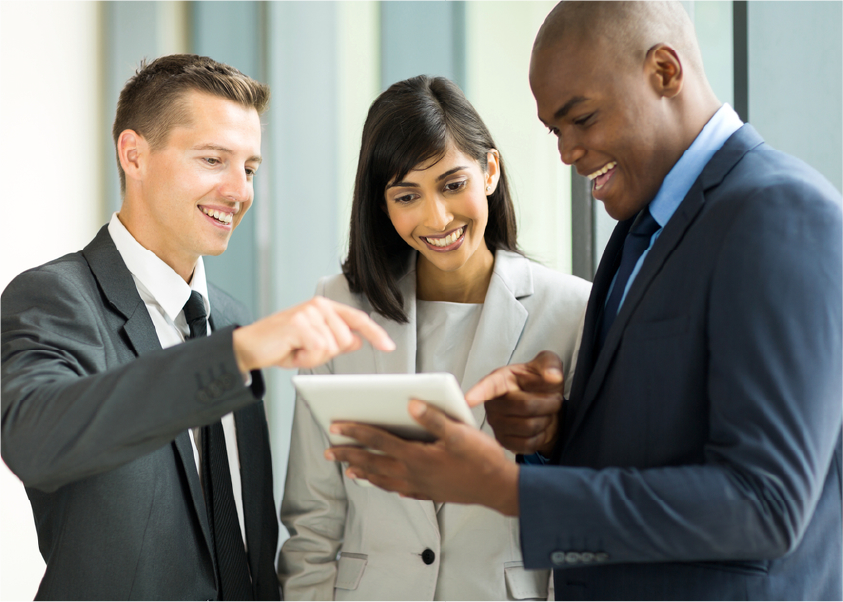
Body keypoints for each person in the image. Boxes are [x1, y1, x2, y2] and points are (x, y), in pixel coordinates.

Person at [326, 1, 843, 600]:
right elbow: (661, 446)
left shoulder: (779, 213)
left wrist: (504, 487)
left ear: (665, 72)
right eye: (556, 130)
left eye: (583, 119)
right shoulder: (639, 234)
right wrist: (555, 432)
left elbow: (765, 505)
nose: (567, 152)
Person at [0, 54, 394, 602]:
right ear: (134, 155)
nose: (239, 191)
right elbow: (33, 443)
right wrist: (235, 356)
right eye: (213, 160)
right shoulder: (55, 298)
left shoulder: (232, 319)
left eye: (249, 168)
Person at [277, 75, 590, 601]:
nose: (437, 217)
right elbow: (313, 519)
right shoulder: (339, 307)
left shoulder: (571, 310)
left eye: (452, 184)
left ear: (490, 172)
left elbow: (579, 512)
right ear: (383, 205)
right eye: (407, 195)